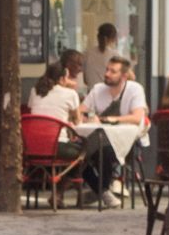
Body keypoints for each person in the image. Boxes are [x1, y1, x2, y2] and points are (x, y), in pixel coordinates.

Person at [27, 61, 113, 198]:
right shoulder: (69, 94)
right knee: (85, 153)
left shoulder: (35, 90)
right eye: (67, 78)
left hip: (32, 146)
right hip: (57, 146)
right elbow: (77, 121)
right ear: (61, 79)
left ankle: (59, 194)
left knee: (80, 154)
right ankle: (100, 192)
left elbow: (37, 113)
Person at [82, 53, 149, 202]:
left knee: (103, 150)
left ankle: (99, 192)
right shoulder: (98, 89)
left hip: (129, 143)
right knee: (78, 154)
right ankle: (103, 191)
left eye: (113, 71)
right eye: (107, 70)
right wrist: (89, 117)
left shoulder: (134, 89)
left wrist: (110, 119)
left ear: (124, 76)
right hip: (100, 140)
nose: (107, 74)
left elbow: (137, 117)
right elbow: (81, 111)